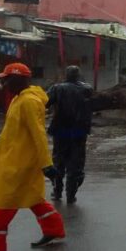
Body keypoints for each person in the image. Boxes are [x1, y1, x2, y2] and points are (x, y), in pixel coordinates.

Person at [0, 63, 65, 251]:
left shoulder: (29, 102)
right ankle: (54, 230)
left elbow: (38, 134)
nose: (3, 82)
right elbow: (8, 135)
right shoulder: (18, 99)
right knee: (34, 199)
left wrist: (46, 164)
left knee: (3, 203)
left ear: (20, 79)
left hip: (19, 164)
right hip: (11, 160)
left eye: (7, 79)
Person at [46, 66, 93, 204]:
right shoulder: (87, 89)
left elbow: (45, 102)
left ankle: (57, 191)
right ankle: (71, 194)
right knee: (76, 162)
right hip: (79, 130)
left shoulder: (57, 88)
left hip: (61, 130)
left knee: (59, 161)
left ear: (66, 75)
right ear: (78, 75)